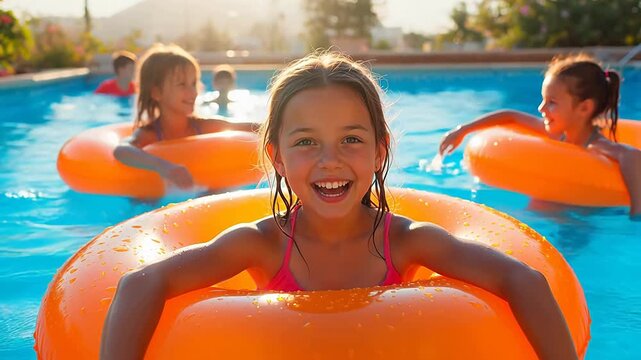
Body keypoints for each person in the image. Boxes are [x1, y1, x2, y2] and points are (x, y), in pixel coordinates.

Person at [101, 52, 578, 360]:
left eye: (351, 139)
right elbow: (142, 282)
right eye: (307, 141)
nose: (331, 161)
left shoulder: (408, 242)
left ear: (379, 151)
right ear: (277, 157)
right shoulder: (260, 244)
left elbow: (523, 279)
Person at [439, 54, 641, 217]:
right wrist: (463, 130)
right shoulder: (557, 136)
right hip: (556, 208)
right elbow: (511, 116)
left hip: (583, 217)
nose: (541, 108)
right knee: (538, 205)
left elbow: (631, 155)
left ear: (584, 108)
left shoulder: (596, 145)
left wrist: (636, 212)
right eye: (543, 100)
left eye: (551, 102)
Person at [113, 44, 257, 190]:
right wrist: (164, 167)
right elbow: (122, 150)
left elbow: (249, 127)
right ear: (157, 92)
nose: (193, 92)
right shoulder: (150, 134)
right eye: (182, 84)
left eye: (193, 83)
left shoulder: (202, 127)